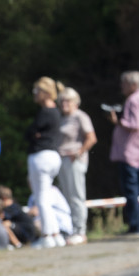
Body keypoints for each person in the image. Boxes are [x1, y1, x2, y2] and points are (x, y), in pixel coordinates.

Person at [106, 70, 139, 236]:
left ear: (133, 85)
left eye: (124, 83)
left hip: (131, 154)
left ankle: (135, 226)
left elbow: (134, 124)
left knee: (131, 191)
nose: (121, 87)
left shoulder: (133, 100)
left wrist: (117, 121)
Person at [26, 77, 65, 248]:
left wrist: (34, 134)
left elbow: (31, 133)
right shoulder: (55, 112)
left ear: (46, 93)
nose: (34, 95)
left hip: (42, 157)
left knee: (41, 197)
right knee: (46, 196)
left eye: (36, 91)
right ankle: (56, 235)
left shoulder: (45, 113)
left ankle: (47, 235)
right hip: (53, 157)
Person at [56, 87, 97, 245]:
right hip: (61, 159)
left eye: (67, 101)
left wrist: (79, 152)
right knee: (65, 197)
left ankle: (80, 230)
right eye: (62, 101)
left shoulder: (80, 116)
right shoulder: (60, 118)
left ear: (75, 102)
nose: (64, 104)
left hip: (73, 160)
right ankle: (69, 229)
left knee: (76, 196)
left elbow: (91, 138)